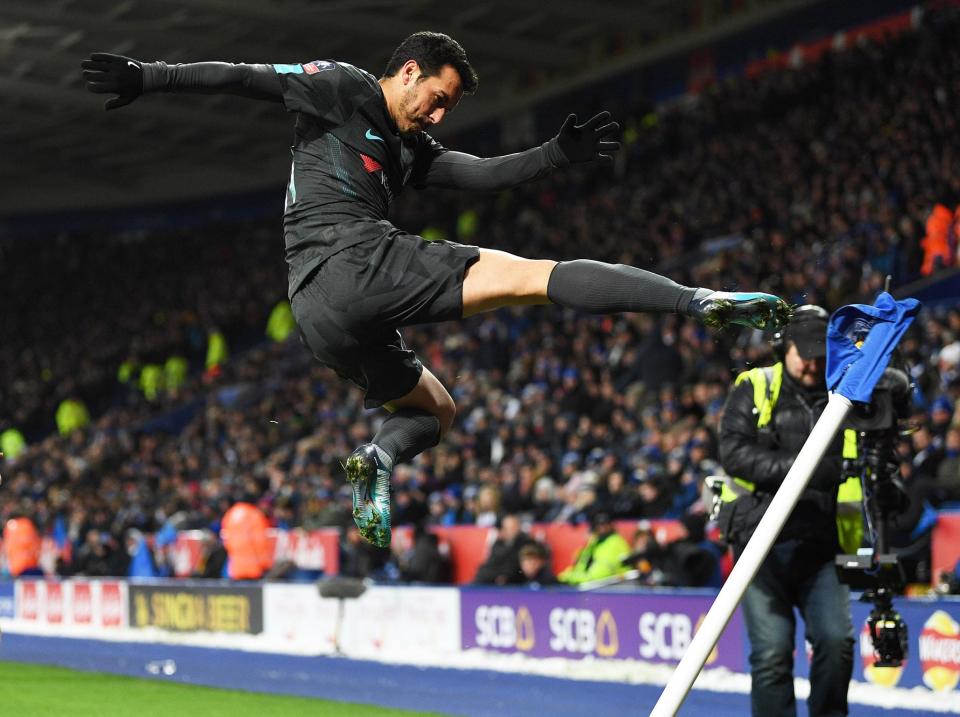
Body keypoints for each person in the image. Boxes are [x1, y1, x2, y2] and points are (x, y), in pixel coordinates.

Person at [82, 32, 787, 548]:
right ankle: (697, 300)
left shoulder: (408, 146)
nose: (439, 115)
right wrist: (151, 74)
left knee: (435, 409)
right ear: (409, 70)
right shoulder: (342, 84)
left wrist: (552, 156)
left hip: (317, 313)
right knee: (536, 277)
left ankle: (376, 462)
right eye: (438, 98)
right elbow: (242, 77)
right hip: (354, 258)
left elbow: (477, 174)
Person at [717, 305, 856, 717]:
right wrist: (808, 468)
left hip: (822, 543)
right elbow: (734, 454)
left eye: (821, 354)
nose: (813, 364)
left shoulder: (846, 396)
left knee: (836, 641)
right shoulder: (754, 385)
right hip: (759, 543)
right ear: (784, 347)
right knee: (772, 654)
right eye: (805, 352)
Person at [557, 511, 631, 585]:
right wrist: (563, 578)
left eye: (604, 524)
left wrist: (570, 579)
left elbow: (596, 576)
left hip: (610, 589)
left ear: (611, 525)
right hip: (586, 586)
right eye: (597, 525)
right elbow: (579, 567)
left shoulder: (615, 543)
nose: (601, 527)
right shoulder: (594, 542)